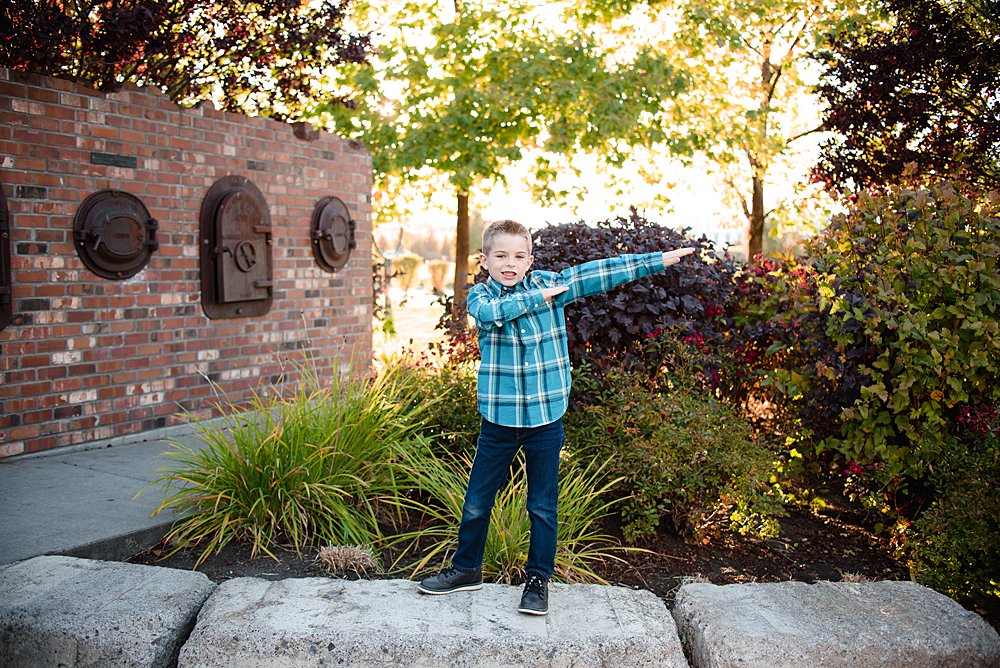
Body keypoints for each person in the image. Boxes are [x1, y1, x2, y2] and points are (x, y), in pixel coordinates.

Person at [417, 219, 695, 615]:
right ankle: (465, 570)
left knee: (542, 505)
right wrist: (540, 298)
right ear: (485, 260)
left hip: (546, 418)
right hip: (499, 419)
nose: (509, 263)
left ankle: (537, 580)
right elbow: (494, 313)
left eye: (518, 256)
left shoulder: (551, 284)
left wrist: (656, 260)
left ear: (530, 259)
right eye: (500, 256)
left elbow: (599, 272)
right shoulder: (480, 297)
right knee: (477, 501)